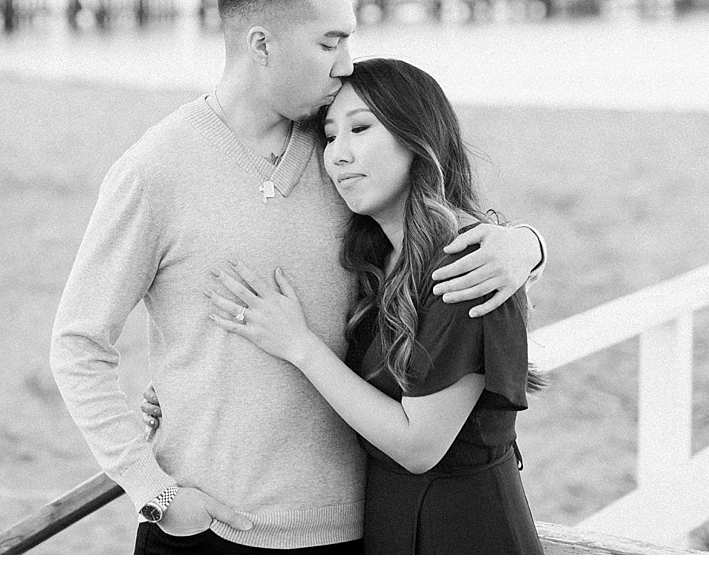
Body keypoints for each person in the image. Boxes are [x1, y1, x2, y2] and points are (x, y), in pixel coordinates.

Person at [50, 0, 545, 554]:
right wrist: (154, 490)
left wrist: (525, 243)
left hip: (359, 527)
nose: (344, 64)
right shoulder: (154, 170)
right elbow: (78, 344)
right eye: (329, 42)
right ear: (263, 43)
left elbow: (430, 230)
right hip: (212, 528)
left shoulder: (340, 152)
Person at [201, 57, 544, 553]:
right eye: (331, 136)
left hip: (463, 530)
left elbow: (418, 446)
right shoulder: (377, 261)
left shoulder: (466, 263)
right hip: (388, 522)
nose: (338, 154)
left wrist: (300, 346)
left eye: (361, 128)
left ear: (416, 137)